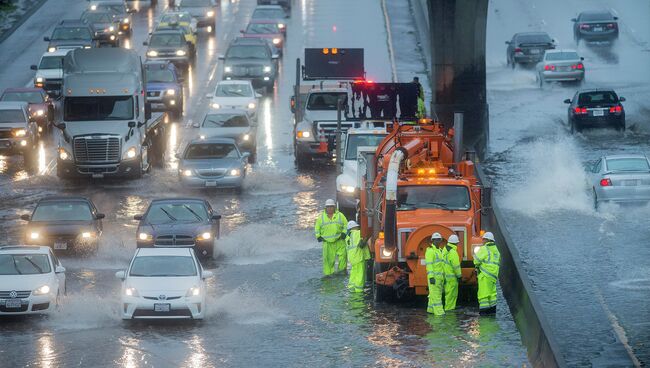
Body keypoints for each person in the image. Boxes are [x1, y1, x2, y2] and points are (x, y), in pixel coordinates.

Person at [314, 199, 348, 276]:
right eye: (328, 207)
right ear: (325, 208)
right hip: (327, 243)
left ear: (334, 207)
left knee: (343, 257)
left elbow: (346, 225)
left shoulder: (340, 216)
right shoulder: (321, 218)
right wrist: (318, 236)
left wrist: (344, 233)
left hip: (339, 241)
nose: (330, 208)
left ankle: (342, 273)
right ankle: (328, 275)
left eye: (331, 207)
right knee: (328, 260)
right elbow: (317, 228)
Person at [474, 232, 501, 315]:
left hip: (485, 275)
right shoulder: (496, 250)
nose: (483, 241)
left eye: (484, 239)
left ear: (487, 240)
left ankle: (484, 314)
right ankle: (492, 312)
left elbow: (476, 260)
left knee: (483, 295)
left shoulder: (484, 249)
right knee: (492, 295)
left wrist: (477, 266)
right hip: (493, 276)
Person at [425, 232, 448, 316]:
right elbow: (429, 265)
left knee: (433, 295)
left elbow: (442, 266)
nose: (437, 241)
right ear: (432, 241)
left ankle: (430, 310)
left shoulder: (439, 251)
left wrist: (444, 277)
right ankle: (439, 313)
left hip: (440, 277)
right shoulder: (430, 251)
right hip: (434, 277)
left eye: (439, 239)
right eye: (436, 240)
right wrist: (431, 277)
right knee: (437, 295)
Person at [345, 221, 370, 293]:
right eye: (357, 226)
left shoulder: (348, 237)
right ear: (354, 227)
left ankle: (351, 287)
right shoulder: (357, 233)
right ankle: (359, 290)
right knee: (360, 274)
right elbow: (366, 235)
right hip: (359, 257)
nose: (358, 227)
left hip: (352, 258)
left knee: (354, 273)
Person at [443, 234, 462, 311]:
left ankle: (449, 308)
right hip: (452, 278)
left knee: (448, 294)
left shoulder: (444, 250)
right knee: (452, 295)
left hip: (445, 276)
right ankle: (449, 310)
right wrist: (459, 276)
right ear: (456, 243)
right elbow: (456, 266)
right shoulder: (453, 252)